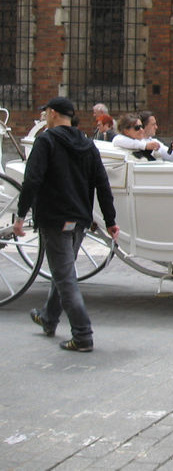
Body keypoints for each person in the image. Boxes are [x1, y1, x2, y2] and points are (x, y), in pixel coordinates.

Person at [16, 97, 120, 352]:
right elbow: (102, 183)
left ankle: (83, 335)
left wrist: (21, 215)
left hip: (55, 217)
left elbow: (32, 180)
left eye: (45, 114)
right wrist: (110, 220)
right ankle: (49, 318)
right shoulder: (87, 143)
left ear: (52, 113)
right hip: (80, 219)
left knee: (65, 278)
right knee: (63, 272)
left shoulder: (46, 140)